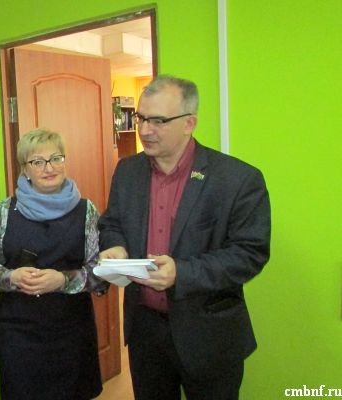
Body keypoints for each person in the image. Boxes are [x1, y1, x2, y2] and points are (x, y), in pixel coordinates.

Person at [98, 75, 271, 400]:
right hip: (146, 332)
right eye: (142, 118)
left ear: (189, 123)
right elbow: (111, 223)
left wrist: (182, 272)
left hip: (209, 334)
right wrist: (115, 245)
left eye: (158, 121)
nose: (145, 130)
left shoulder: (237, 179)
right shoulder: (127, 171)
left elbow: (250, 254)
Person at [0, 128, 109, 400]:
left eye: (56, 158)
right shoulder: (4, 211)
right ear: (25, 169)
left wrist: (63, 280)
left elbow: (102, 271)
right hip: (19, 333)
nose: (49, 168)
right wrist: (11, 277)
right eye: (38, 161)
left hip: (72, 331)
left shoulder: (86, 211)